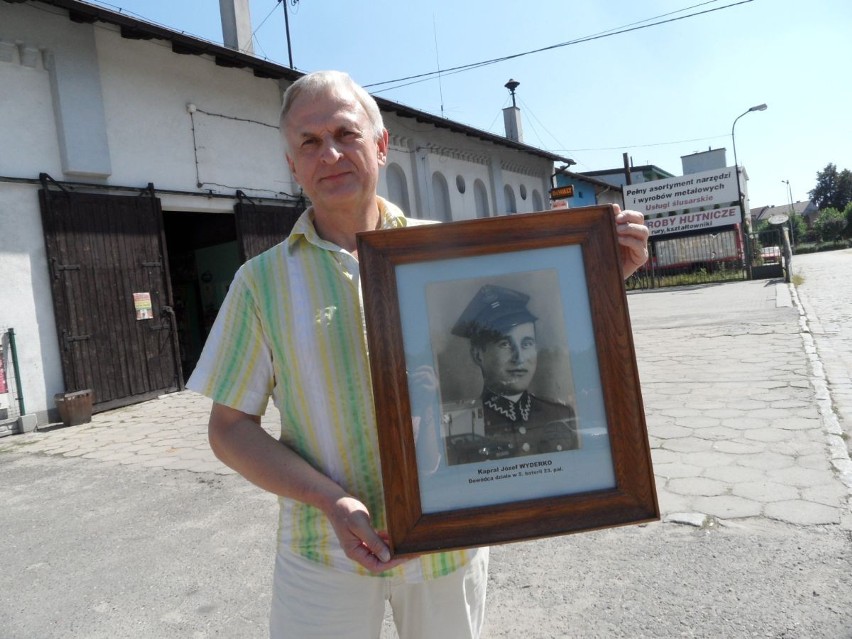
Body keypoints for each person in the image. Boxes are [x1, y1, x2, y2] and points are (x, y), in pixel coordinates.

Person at [187, 70, 650, 638]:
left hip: (446, 548)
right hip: (321, 553)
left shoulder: (450, 255)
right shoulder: (260, 283)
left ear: (381, 145)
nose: (328, 153)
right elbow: (229, 428)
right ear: (292, 164)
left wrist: (597, 277)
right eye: (309, 142)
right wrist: (330, 501)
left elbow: (555, 334)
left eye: (344, 133)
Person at [447, 284, 578, 463]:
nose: (519, 358)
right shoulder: (459, 426)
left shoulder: (561, 415)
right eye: (505, 344)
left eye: (527, 344)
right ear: (478, 354)